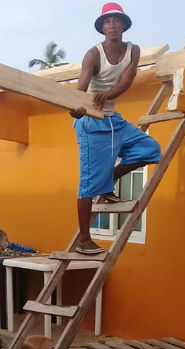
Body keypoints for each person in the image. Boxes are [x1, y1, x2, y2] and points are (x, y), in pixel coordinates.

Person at [70, 2, 161, 255]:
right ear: (102, 27)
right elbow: (80, 90)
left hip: (113, 120)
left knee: (149, 148)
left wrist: (107, 94)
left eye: (116, 21)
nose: (112, 25)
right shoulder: (93, 54)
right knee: (88, 184)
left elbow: (126, 80)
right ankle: (84, 240)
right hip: (90, 121)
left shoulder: (133, 50)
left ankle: (108, 180)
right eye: (107, 21)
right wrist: (78, 107)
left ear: (123, 25)